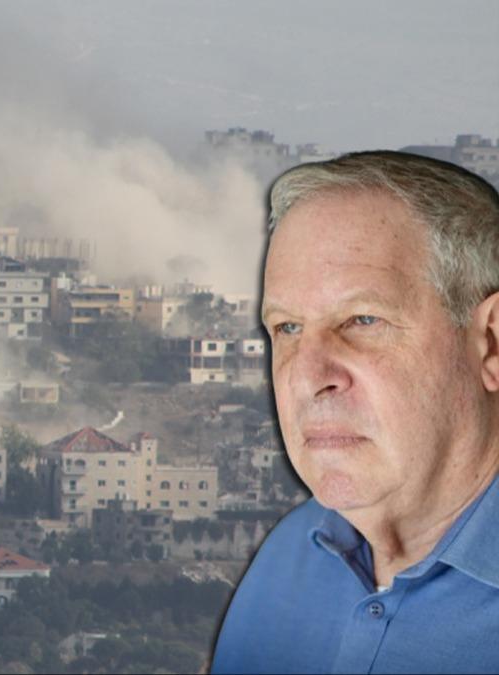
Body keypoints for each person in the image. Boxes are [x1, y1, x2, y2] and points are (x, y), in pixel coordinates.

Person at [211, 151, 499, 673]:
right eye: (287, 328)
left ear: (492, 342)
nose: (308, 375)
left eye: (363, 320)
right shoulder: (288, 558)